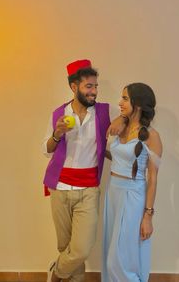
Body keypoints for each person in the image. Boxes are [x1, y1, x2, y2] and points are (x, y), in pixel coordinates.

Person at [42, 59, 126, 282]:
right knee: (65, 245)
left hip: (88, 189)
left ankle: (56, 271)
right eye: (89, 86)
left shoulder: (103, 112)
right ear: (74, 87)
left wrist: (122, 117)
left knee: (81, 249)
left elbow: (129, 114)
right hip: (59, 187)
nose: (94, 91)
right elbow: (46, 149)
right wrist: (57, 133)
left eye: (95, 86)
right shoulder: (58, 114)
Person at [102, 82, 163, 282]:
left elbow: (152, 179)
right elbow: (120, 157)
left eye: (125, 98)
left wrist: (148, 216)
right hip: (113, 194)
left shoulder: (151, 136)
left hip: (133, 195)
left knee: (120, 259)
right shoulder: (121, 126)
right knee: (110, 251)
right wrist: (122, 117)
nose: (120, 102)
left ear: (138, 103)